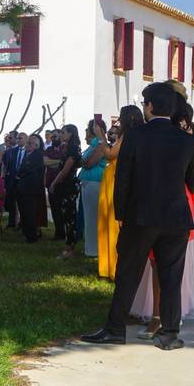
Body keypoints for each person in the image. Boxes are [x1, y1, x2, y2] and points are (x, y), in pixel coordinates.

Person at [82, 82, 194, 350]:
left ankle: (115, 328)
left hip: (141, 214)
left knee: (128, 273)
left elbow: (123, 177)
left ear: (149, 106)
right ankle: (170, 333)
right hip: (176, 216)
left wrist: (121, 212)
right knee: (171, 277)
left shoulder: (136, 136)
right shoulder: (187, 139)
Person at [97, 106, 144, 280]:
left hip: (116, 179)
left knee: (112, 221)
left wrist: (101, 137)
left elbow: (110, 154)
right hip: (112, 177)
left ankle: (112, 267)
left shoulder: (127, 136)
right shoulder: (134, 135)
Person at [78, 118, 108, 258]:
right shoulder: (93, 144)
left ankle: (95, 250)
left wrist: (85, 162)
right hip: (87, 182)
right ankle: (90, 248)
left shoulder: (101, 143)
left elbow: (89, 163)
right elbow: (82, 161)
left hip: (95, 183)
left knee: (94, 218)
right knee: (88, 218)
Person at [51, 125, 82, 260]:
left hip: (69, 185)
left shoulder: (73, 148)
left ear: (71, 134)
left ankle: (69, 248)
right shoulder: (67, 148)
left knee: (69, 216)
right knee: (65, 215)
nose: (61, 135)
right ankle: (68, 245)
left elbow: (65, 170)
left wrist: (54, 182)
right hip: (65, 185)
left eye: (63, 132)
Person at [16, 133, 46, 243]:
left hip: (30, 188)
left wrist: (20, 174)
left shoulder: (37, 155)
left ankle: (32, 237)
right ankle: (27, 234)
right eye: (27, 142)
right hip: (23, 188)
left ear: (36, 145)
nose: (27, 145)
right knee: (24, 212)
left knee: (29, 212)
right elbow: (21, 168)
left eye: (29, 143)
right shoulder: (27, 154)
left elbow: (26, 169)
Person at [43, 131, 66, 241]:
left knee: (62, 209)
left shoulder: (66, 148)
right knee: (54, 209)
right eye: (52, 137)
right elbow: (45, 162)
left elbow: (67, 163)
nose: (53, 138)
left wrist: (55, 162)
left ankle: (65, 233)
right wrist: (59, 162)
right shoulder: (48, 149)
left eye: (55, 136)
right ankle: (58, 233)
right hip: (50, 182)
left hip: (63, 182)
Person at [3, 132, 28, 228]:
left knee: (23, 203)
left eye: (20, 138)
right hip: (12, 180)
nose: (18, 140)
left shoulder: (29, 151)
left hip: (24, 181)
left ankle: (23, 223)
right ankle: (11, 222)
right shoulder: (12, 151)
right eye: (17, 138)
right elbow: (6, 165)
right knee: (12, 201)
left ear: (26, 139)